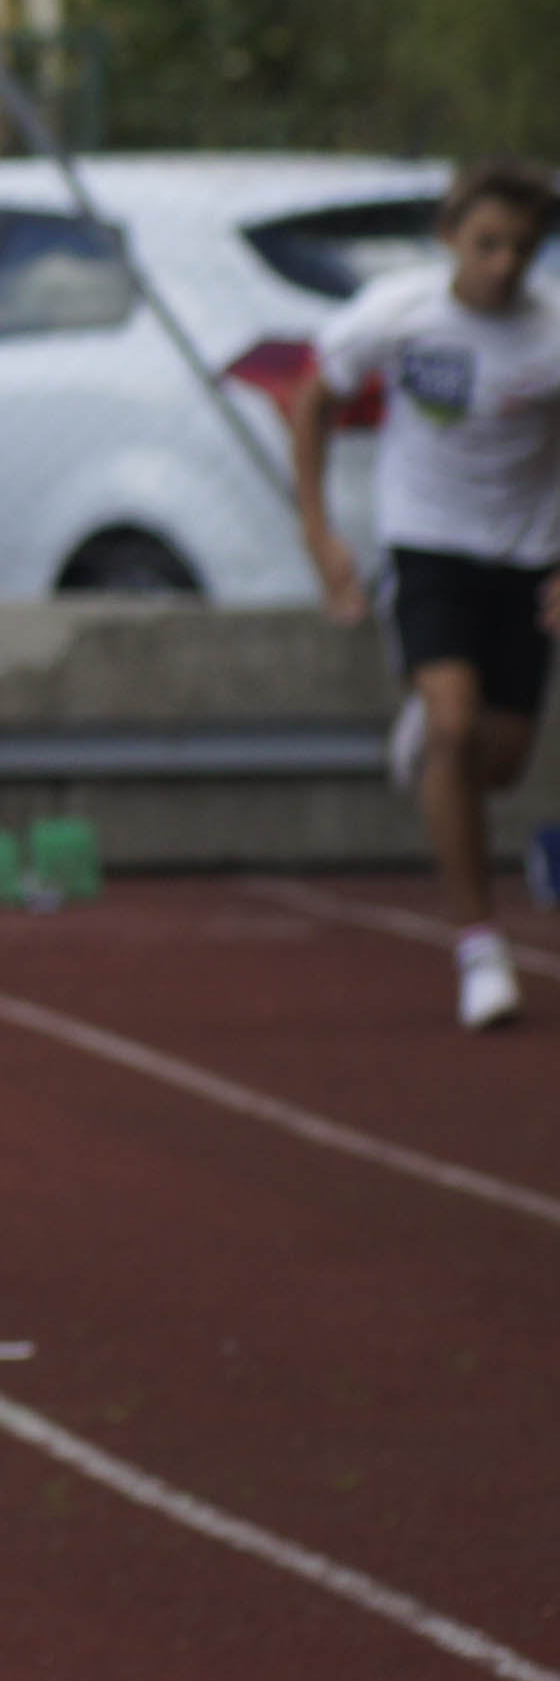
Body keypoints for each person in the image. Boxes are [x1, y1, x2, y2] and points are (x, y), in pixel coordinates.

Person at [292, 155, 560, 1030]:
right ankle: (480, 946)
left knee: (499, 761)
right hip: (429, 544)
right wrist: (320, 534)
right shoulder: (398, 315)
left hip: (525, 553)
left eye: (523, 248)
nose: (503, 265)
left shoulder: (552, 331)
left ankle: (434, 735)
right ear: (449, 238)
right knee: (455, 723)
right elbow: (311, 402)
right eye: (487, 244)